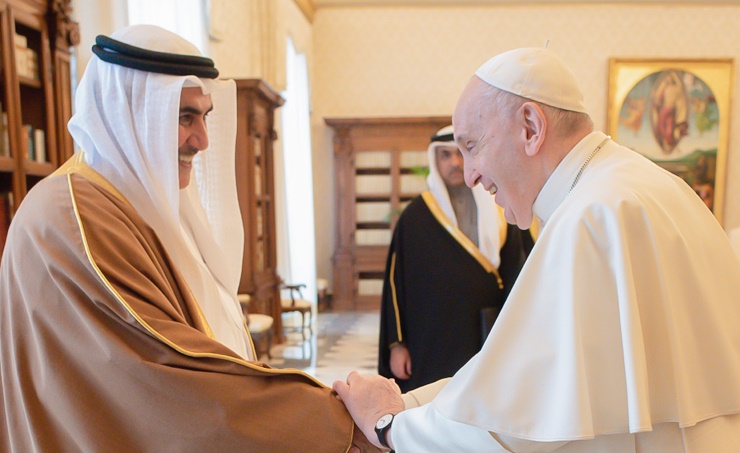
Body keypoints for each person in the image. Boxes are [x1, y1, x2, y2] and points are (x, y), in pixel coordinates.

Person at [334, 47, 740, 452]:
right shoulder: (646, 186)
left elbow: (511, 427)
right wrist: (412, 404)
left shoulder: (591, 215)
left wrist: (388, 425)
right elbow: (515, 376)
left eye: (472, 145)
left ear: (530, 127)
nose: (470, 174)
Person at [0, 24, 378, 452]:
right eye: (184, 117)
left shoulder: (140, 203)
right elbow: (167, 373)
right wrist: (337, 419)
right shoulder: (70, 215)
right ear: (131, 111)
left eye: (204, 116)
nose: (201, 140)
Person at [378, 125, 532, 392]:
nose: (454, 163)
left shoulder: (501, 207)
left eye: (460, 154)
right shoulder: (415, 216)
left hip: (487, 335)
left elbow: (521, 272)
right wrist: (397, 344)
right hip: (430, 340)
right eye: (445, 155)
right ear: (434, 160)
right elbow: (395, 284)